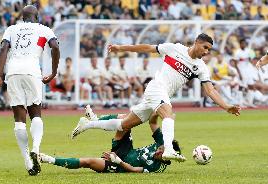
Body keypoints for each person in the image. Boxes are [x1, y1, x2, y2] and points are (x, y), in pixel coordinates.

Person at [71, 33, 241, 163]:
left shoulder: (201, 68)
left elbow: (210, 91)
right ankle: (168, 149)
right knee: (168, 114)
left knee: (125, 124)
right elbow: (147, 48)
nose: (206, 52)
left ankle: (88, 124)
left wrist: (226, 106)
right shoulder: (175, 48)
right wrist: (121, 48)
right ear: (196, 42)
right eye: (204, 47)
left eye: (209, 50)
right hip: (156, 87)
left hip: (160, 95)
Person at [0, 5, 60, 176]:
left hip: (13, 72)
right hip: (32, 71)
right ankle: (36, 148)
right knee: (35, 113)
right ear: (36, 17)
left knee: (19, 118)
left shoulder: (11, 29)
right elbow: (55, 46)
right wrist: (53, 72)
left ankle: (28, 163)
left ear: (23, 17)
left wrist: (0, 75)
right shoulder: (44, 29)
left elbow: (3, 49)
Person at [42, 106, 181, 173]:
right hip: (126, 149)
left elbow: (133, 170)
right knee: (125, 119)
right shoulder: (163, 142)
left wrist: (117, 160)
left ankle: (47, 159)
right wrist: (160, 111)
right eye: (161, 149)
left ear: (167, 158)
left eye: (161, 154)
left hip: (120, 164)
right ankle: (95, 120)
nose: (158, 151)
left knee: (88, 162)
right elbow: (152, 122)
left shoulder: (156, 168)